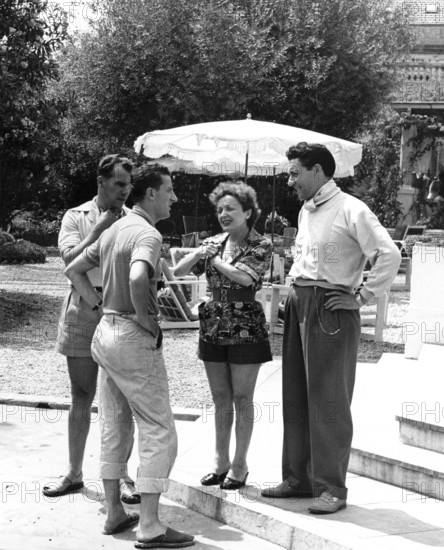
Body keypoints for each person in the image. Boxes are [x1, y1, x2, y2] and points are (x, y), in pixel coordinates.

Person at [261, 143, 401, 513]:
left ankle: (332, 489)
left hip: (330, 307)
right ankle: (298, 478)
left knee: (328, 401)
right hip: (299, 301)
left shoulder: (353, 208)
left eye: (295, 173)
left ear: (319, 171)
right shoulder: (308, 210)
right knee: (295, 394)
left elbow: (389, 253)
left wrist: (363, 295)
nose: (290, 181)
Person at [64, 164, 195, 547]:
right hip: (131, 336)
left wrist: (96, 302)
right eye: (169, 190)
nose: (173, 198)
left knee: (115, 422)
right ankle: (151, 526)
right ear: (150, 194)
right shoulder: (146, 233)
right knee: (159, 427)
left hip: (104, 331)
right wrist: (148, 319)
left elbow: (74, 268)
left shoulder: (115, 228)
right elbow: (140, 277)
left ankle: (115, 513)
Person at [43, 154, 139, 504]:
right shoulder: (76, 216)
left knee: (123, 400)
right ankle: (74, 473)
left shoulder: (134, 220)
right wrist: (99, 229)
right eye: (119, 184)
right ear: (101, 182)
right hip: (83, 310)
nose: (126, 191)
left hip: (119, 308)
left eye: (129, 185)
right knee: (81, 396)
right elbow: (70, 263)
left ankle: (123, 476)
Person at [174, 181, 273, 490]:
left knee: (242, 398)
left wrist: (214, 259)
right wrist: (196, 254)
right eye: (219, 209)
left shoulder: (261, 244)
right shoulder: (214, 241)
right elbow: (177, 272)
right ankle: (220, 461)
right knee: (220, 398)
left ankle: (240, 464)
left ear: (247, 211)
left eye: (230, 208)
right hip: (214, 323)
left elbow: (245, 278)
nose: (223, 214)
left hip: (245, 325)